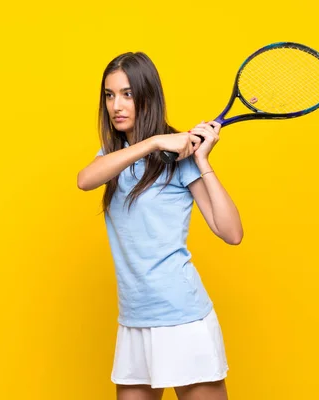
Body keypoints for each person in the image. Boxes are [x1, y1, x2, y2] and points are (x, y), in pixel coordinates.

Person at [77, 51, 243, 400]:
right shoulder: (113, 155)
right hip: (134, 319)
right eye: (109, 95)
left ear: (147, 97)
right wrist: (153, 142)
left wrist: (202, 161)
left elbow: (231, 233)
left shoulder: (179, 159)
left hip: (182, 316)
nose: (116, 105)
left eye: (127, 94)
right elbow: (85, 180)